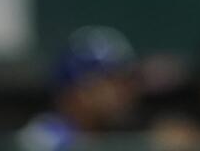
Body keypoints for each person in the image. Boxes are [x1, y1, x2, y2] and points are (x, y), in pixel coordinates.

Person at [17, 26, 145, 151]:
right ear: (80, 88)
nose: (125, 91)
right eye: (113, 80)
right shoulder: (43, 136)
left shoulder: (114, 135)